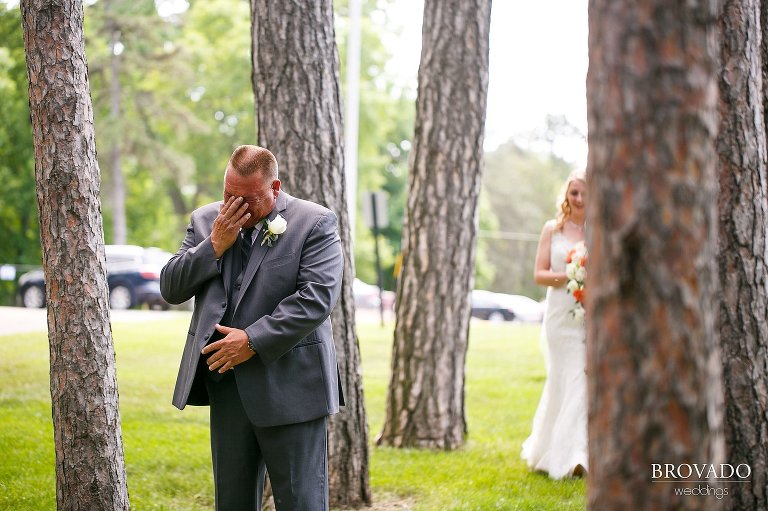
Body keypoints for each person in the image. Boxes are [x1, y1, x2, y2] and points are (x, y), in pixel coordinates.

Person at [160, 145, 344, 510]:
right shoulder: (204, 222)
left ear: (274, 189)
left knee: (301, 501)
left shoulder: (315, 222)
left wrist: (253, 340)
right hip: (226, 387)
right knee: (232, 502)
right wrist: (212, 246)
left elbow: (317, 298)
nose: (235, 207)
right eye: (229, 195)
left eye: (247, 199)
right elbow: (171, 287)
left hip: (292, 387)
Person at [521, 169, 588, 479]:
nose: (578, 198)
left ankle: (576, 453)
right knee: (565, 379)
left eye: (584, 192)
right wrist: (571, 275)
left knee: (580, 381)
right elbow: (539, 274)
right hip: (560, 316)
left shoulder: (595, 230)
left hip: (587, 315)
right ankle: (561, 456)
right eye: (573, 192)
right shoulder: (553, 229)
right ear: (567, 194)